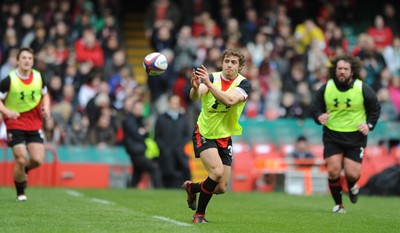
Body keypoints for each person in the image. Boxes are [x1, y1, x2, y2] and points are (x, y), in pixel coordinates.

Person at [182, 48, 252, 223]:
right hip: (204, 132)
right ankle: (199, 215)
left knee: (220, 188)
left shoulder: (244, 84)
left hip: (224, 136)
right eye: (227, 61)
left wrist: (208, 84)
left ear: (240, 66)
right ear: (222, 63)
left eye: (233, 62)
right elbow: (195, 96)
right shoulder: (212, 77)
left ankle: (192, 188)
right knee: (217, 171)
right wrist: (195, 87)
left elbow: (229, 100)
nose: (229, 65)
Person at [311, 54, 381, 214]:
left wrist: (369, 125)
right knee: (333, 170)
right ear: (335, 70)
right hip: (332, 135)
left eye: (345, 69)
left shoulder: (362, 88)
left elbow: (375, 107)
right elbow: (315, 108)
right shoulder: (326, 87)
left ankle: (352, 186)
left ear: (352, 71)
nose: (342, 71)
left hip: (355, 136)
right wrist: (318, 116)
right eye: (339, 68)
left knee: (352, 174)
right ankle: (339, 205)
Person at [0, 47, 51, 201]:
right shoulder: (9, 80)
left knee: (37, 160)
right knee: (21, 159)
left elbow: (45, 94)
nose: (27, 61)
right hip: (15, 123)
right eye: (24, 58)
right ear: (18, 61)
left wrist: (46, 107)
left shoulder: (38, 77)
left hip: (34, 123)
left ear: (33, 61)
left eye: (30, 58)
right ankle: (20, 193)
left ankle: (24, 170)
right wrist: (7, 113)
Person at [122, 98, 163, 188]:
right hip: (136, 152)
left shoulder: (139, 120)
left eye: (141, 109)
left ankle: (130, 189)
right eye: (137, 108)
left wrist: (143, 132)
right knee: (154, 169)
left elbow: (146, 133)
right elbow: (138, 135)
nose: (139, 111)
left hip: (139, 151)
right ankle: (159, 189)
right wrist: (142, 132)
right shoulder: (130, 120)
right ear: (133, 109)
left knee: (137, 173)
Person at [154, 94, 191, 188]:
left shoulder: (183, 118)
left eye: (177, 102)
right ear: (168, 103)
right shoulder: (161, 118)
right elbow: (157, 136)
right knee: (167, 175)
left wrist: (181, 146)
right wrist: (163, 148)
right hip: (166, 154)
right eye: (173, 102)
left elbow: (187, 135)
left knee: (182, 173)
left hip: (180, 153)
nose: (175, 104)